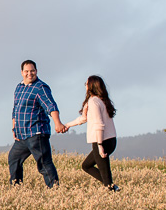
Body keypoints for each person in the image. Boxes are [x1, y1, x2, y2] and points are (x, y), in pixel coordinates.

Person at [9, 60, 67, 188]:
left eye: (32, 71)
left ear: (36, 71)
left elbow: (50, 105)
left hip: (36, 133)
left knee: (44, 164)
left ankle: (55, 190)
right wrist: (14, 127)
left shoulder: (40, 88)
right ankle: (16, 188)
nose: (30, 74)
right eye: (27, 71)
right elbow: (15, 109)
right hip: (22, 135)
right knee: (13, 159)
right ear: (22, 72)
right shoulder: (19, 87)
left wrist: (58, 123)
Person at [63, 75, 120, 191]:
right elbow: (84, 118)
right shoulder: (102, 100)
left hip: (102, 140)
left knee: (105, 173)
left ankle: (112, 190)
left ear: (91, 86)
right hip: (111, 140)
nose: (85, 85)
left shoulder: (93, 102)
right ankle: (113, 187)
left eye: (86, 83)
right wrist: (67, 125)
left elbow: (99, 124)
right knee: (86, 166)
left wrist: (99, 145)